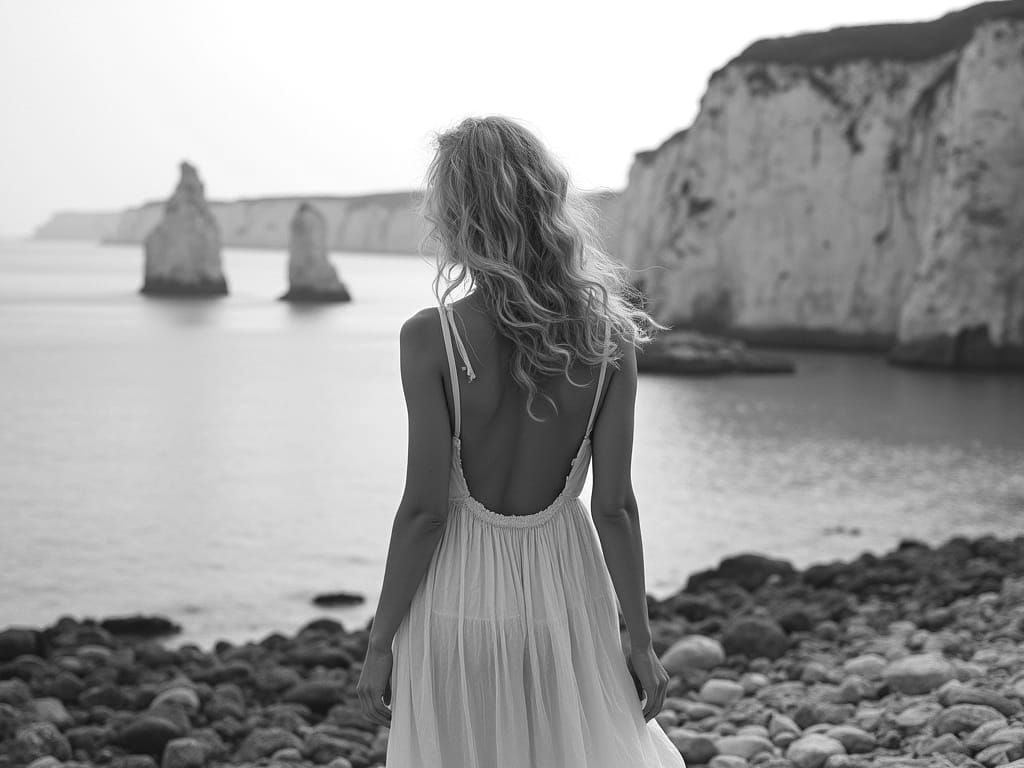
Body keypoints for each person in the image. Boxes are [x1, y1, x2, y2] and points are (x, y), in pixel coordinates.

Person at [357, 115, 686, 767]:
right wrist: (641, 640)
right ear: (545, 207)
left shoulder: (431, 339)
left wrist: (379, 641)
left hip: (455, 601)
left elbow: (423, 514)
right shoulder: (609, 339)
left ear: (458, 218)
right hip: (565, 600)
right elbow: (615, 506)